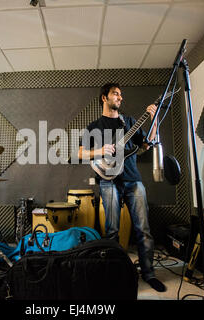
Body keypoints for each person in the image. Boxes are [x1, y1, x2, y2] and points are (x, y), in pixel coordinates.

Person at [78, 83, 166, 292]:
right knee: (112, 231)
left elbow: (146, 144)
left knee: (143, 230)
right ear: (104, 98)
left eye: (121, 95)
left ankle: (149, 273)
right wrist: (99, 150)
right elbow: (81, 153)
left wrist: (154, 120)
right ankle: (114, 273)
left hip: (133, 180)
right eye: (115, 94)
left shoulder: (129, 122)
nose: (119, 97)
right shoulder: (94, 127)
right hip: (108, 181)